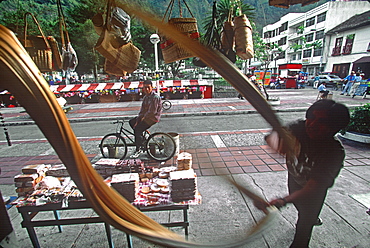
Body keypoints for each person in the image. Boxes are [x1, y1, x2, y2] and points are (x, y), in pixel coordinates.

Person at [255, 99, 350, 248]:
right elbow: (271, 136)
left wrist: (283, 201)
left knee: (304, 228)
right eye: (311, 118)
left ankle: (309, 220)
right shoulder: (299, 128)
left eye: (322, 122)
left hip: (314, 191)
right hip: (294, 179)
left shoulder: (333, 152)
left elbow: (313, 187)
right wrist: (277, 143)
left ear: (335, 127)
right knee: (300, 207)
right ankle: (310, 216)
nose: (312, 125)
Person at [129, 80, 162, 158]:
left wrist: (143, 118)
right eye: (145, 88)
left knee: (137, 129)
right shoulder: (145, 97)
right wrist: (138, 118)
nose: (146, 89)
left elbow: (152, 112)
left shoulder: (155, 97)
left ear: (152, 87)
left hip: (152, 118)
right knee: (132, 122)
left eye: (148, 87)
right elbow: (142, 110)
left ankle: (138, 148)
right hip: (146, 117)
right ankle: (142, 139)